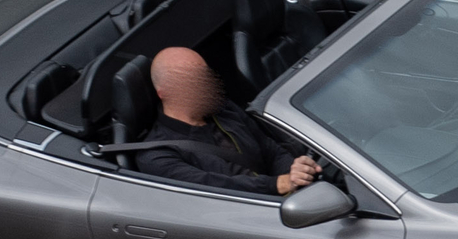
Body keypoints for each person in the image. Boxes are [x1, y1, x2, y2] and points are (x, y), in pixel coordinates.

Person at [130, 47, 323, 197]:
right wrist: (277, 184)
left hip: (289, 197)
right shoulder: (157, 155)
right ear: (164, 93)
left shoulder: (224, 109)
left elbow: (270, 150)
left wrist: (296, 171)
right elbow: (214, 187)